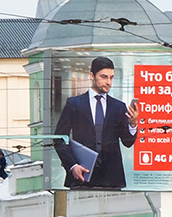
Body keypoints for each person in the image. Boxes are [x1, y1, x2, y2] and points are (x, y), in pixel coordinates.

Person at [54, 56, 139, 189]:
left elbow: (128, 142)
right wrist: (72, 166)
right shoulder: (74, 104)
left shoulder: (119, 107)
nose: (109, 82)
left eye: (111, 77)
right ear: (92, 76)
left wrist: (132, 124)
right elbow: (59, 139)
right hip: (81, 177)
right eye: (104, 77)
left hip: (112, 179)